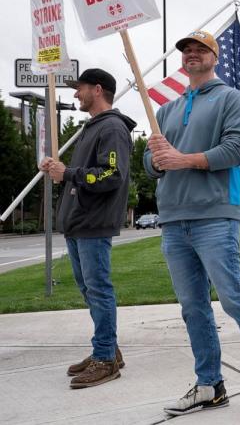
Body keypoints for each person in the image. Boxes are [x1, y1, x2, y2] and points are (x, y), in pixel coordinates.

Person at [144, 30, 240, 422]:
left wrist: (182, 159)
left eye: (200, 49)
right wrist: (157, 160)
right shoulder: (166, 110)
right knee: (193, 307)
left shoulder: (231, 99)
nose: (192, 54)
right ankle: (210, 385)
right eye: (187, 50)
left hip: (215, 214)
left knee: (234, 300)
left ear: (215, 55)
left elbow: (239, 148)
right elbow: (151, 161)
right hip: (174, 217)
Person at [40, 68, 135, 389]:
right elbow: (81, 172)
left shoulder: (111, 128)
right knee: (89, 290)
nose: (75, 94)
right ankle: (108, 349)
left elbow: (112, 175)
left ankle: (105, 359)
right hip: (79, 222)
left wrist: (68, 173)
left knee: (98, 289)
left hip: (93, 222)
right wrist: (60, 171)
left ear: (97, 89)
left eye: (79, 89)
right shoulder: (92, 127)